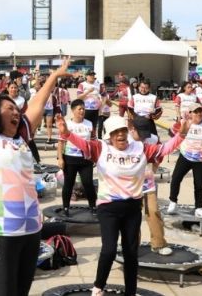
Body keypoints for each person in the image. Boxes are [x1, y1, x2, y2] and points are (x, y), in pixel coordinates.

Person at [0, 26, 68, 296]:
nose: (16, 111)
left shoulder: (22, 137)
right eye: (9, 108)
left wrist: (54, 77)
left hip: (31, 227)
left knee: (21, 291)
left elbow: (37, 102)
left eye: (16, 108)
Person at [58, 111, 188, 296]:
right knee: (109, 250)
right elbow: (84, 144)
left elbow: (165, 149)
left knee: (130, 253)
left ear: (127, 131)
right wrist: (67, 134)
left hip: (132, 208)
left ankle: (131, 292)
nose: (120, 134)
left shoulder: (140, 148)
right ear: (109, 135)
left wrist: (181, 135)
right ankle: (98, 287)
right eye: (115, 132)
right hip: (108, 208)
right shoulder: (101, 148)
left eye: (122, 131)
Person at [166, 105, 202, 218]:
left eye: (200, 111)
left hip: (201, 159)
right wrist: (178, 142)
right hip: (185, 156)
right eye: (195, 112)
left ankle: (199, 208)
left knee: (199, 184)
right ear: (190, 113)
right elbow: (174, 133)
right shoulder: (184, 122)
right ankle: (173, 202)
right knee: (176, 178)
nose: (198, 114)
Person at [57, 99, 96, 212]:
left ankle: (93, 206)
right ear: (73, 110)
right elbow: (61, 142)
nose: (82, 111)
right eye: (80, 109)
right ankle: (65, 207)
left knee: (88, 183)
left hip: (86, 160)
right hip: (70, 159)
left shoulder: (89, 123)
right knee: (69, 184)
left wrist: (94, 156)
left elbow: (93, 141)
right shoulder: (67, 124)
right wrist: (60, 158)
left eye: (83, 109)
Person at [75, 70, 104, 138]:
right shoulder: (82, 84)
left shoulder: (98, 84)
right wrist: (88, 91)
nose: (92, 76)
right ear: (86, 76)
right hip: (84, 109)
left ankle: (92, 142)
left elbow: (104, 95)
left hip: (95, 110)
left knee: (93, 127)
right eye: (90, 75)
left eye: (93, 75)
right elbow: (78, 97)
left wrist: (102, 105)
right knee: (84, 126)